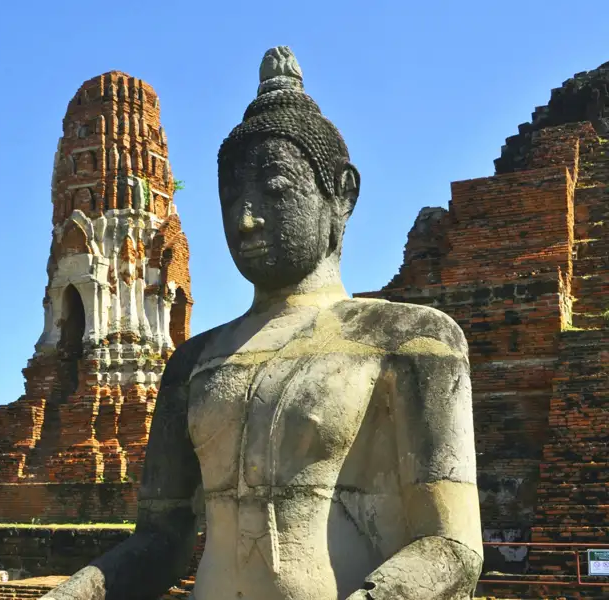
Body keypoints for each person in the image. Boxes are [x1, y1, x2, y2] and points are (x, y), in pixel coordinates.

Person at [44, 45, 483, 600]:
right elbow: (161, 541)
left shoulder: (409, 340)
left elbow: (452, 547)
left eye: (275, 191)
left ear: (342, 194)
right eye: (232, 199)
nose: (247, 219)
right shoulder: (193, 363)